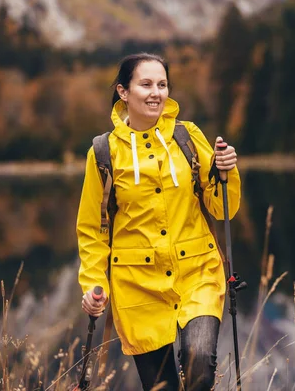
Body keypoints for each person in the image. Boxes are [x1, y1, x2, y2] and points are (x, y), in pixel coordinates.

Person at [76, 52, 241, 391]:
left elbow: (222, 207)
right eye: (146, 84)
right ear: (124, 92)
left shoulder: (188, 137)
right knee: (161, 386)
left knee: (199, 366)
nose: (156, 92)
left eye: (162, 84)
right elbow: (93, 230)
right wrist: (95, 286)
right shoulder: (104, 153)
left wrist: (226, 171)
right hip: (137, 287)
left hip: (198, 274)